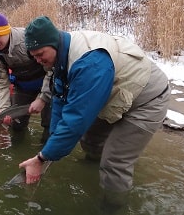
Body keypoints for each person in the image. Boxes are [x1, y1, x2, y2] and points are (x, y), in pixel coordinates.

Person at [18, 16, 170, 207]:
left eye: (41, 54)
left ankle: (113, 207)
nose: (38, 60)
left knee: (115, 162)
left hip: (147, 99)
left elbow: (76, 121)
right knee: (91, 140)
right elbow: (59, 98)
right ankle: (92, 171)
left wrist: (41, 158)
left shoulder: (89, 63)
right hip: (113, 93)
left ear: (53, 43)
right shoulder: (60, 56)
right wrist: (53, 143)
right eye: (34, 57)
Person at [0, 12, 52, 143]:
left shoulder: (27, 39)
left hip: (47, 83)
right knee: (16, 125)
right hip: (23, 87)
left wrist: (43, 98)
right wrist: (3, 110)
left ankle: (45, 153)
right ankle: (17, 153)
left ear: (6, 31)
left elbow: (51, 68)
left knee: (49, 123)